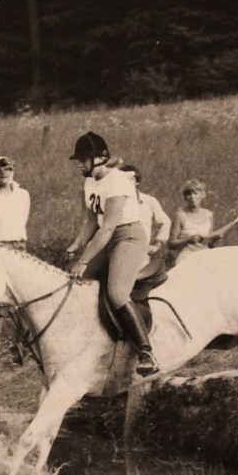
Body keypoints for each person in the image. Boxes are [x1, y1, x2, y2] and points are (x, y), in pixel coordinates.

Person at [63, 132, 159, 376]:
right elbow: (90, 221)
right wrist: (76, 244)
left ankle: (146, 352)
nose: (79, 165)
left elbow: (107, 228)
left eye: (83, 160)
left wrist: (84, 260)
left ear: (98, 158)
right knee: (75, 285)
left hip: (127, 237)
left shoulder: (118, 182)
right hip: (105, 238)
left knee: (117, 293)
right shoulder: (90, 181)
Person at [120, 164, 171, 258]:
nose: (126, 182)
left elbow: (165, 222)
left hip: (141, 251)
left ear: (137, 182)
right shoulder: (114, 202)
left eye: (130, 179)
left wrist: (157, 245)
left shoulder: (149, 201)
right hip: (119, 250)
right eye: (122, 179)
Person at [167, 178, 219, 265]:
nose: (192, 197)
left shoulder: (209, 214)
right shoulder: (180, 215)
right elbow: (171, 244)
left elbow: (210, 244)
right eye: (188, 194)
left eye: (195, 193)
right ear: (185, 197)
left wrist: (215, 240)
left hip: (205, 256)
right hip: (187, 257)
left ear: (202, 195)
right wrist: (188, 240)